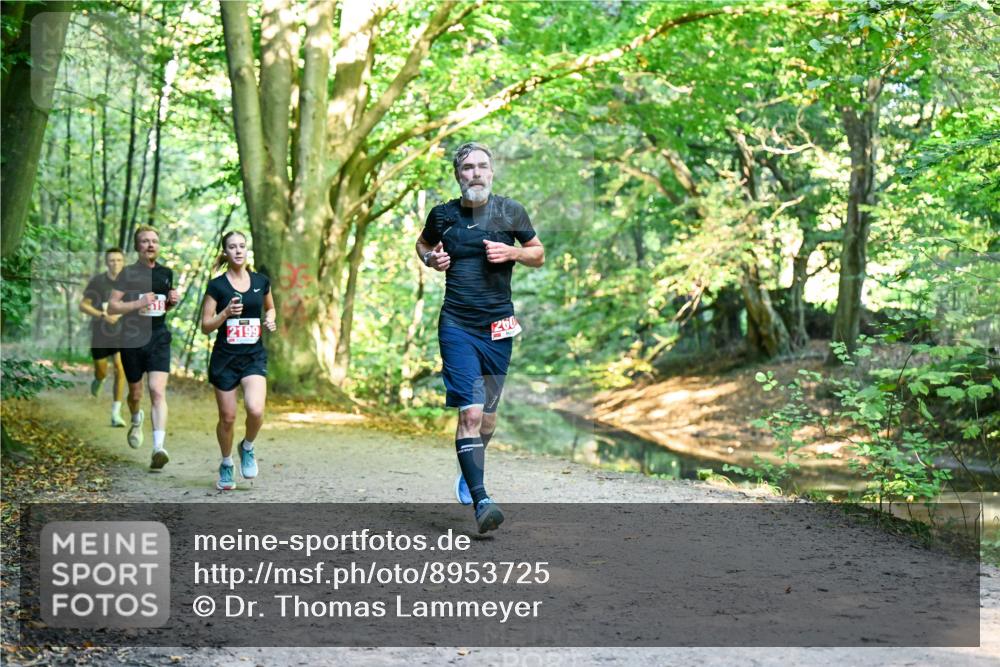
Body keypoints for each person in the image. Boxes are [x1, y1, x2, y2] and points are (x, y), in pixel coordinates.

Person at [415, 141, 544, 533]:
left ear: (492, 171)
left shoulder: (510, 212)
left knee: (487, 420)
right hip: (457, 324)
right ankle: (482, 498)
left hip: (498, 328)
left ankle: (470, 469)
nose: (475, 173)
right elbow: (423, 245)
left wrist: (513, 254)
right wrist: (430, 259)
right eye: (467, 167)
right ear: (458, 175)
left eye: (482, 166)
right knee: (469, 413)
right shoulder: (443, 215)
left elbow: (537, 253)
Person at [200, 231, 276, 491]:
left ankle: (248, 447)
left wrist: (271, 319)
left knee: (255, 410)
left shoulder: (260, 281)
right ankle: (226, 463)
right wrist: (225, 314)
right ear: (226, 252)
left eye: (242, 246)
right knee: (228, 417)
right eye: (232, 247)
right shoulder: (217, 286)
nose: (238, 251)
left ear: (247, 249)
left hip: (253, 356)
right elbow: (205, 325)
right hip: (225, 359)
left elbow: (270, 307)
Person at [107, 226, 179, 470]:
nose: (151, 245)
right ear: (137, 247)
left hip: (159, 337)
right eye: (145, 241)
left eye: (155, 241)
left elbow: (160, 307)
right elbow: (113, 307)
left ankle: (158, 448)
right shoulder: (127, 274)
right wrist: (138, 302)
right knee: (136, 394)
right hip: (132, 339)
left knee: (157, 391)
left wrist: (170, 303)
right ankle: (136, 419)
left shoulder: (166, 273)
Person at [79, 247, 127, 426]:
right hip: (100, 332)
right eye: (112, 260)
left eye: (119, 260)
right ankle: (99, 379)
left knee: (120, 368)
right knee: (102, 370)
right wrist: (102, 315)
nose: (115, 263)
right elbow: (83, 305)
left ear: (123, 262)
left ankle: (116, 414)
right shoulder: (98, 282)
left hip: (122, 333)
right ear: (107, 262)